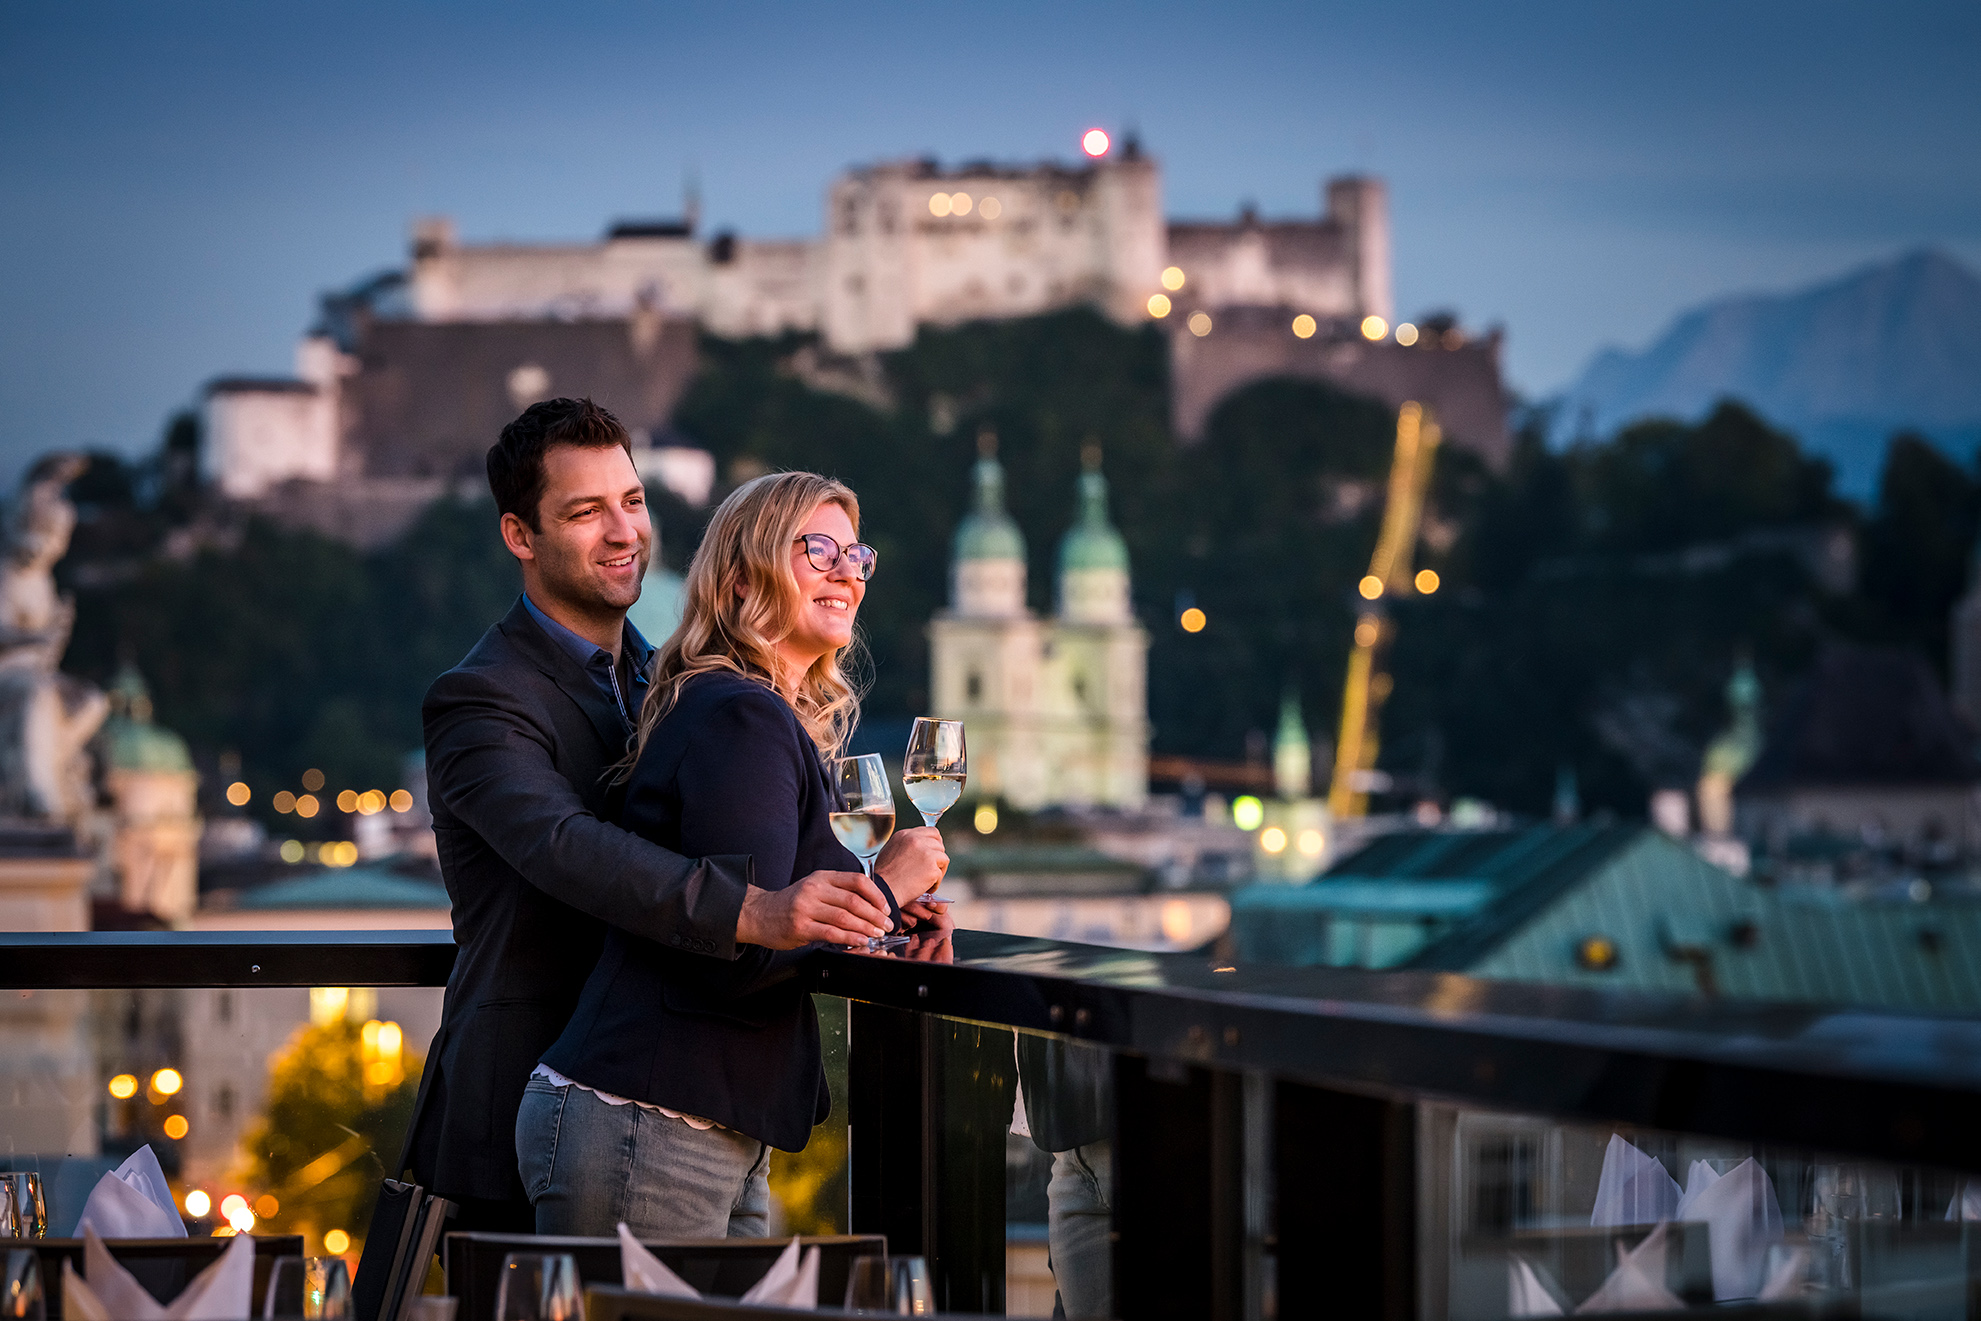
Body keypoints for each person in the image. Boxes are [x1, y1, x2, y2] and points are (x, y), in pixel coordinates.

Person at [409, 401, 925, 1230]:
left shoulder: (672, 681)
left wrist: (876, 913)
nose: (623, 533)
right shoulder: (480, 698)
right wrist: (756, 910)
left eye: (633, 501)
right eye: (584, 512)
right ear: (519, 535)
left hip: (678, 1081)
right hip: (548, 1090)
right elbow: (566, 847)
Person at [518, 470, 952, 1236]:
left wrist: (881, 925)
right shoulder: (742, 717)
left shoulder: (743, 709)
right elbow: (742, 943)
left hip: (694, 1120)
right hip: (647, 1118)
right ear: (744, 578)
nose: (847, 571)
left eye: (856, 554)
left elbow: (779, 917)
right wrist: (882, 887)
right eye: (817, 550)